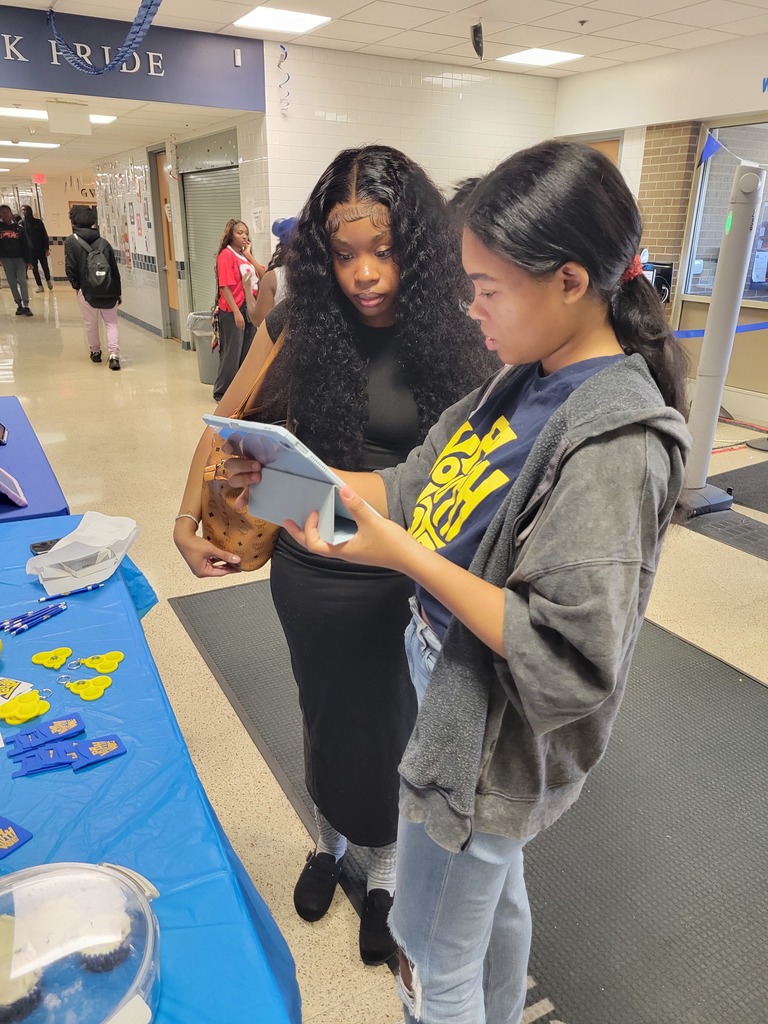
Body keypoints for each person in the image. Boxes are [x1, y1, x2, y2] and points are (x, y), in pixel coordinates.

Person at [224, 140, 691, 1021]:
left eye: (487, 290)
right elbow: (411, 489)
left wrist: (404, 556)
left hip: (486, 734)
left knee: (433, 961)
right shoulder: (519, 384)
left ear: (569, 282)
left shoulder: (613, 442)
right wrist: (282, 483)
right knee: (495, 898)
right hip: (449, 689)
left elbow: (563, 657)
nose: (470, 310)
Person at [174, 144, 490, 966]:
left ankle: (383, 868)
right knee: (321, 707)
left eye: (383, 251)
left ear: (415, 247)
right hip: (311, 564)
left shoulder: (464, 330)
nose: (366, 275)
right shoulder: (299, 322)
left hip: (406, 571)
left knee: (394, 723)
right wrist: (185, 517)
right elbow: (227, 420)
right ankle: (331, 844)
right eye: (345, 255)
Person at [65, 205, 122, 370]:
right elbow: (114, 269)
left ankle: (95, 353)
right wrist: (118, 292)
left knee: (91, 323)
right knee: (111, 323)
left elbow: (70, 268)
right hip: (109, 289)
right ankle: (114, 356)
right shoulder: (104, 243)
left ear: (73, 220)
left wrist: (77, 287)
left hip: (86, 289)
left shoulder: (71, 242)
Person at [212, 219, 264, 402]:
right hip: (234, 308)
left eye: (246, 233)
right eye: (239, 233)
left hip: (249, 307)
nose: (244, 236)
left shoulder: (244, 256)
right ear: (230, 235)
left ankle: (239, 391)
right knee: (232, 353)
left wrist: (249, 255)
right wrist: (236, 312)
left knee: (246, 352)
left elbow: (263, 274)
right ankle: (221, 393)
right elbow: (224, 287)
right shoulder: (226, 256)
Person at [249, 217, 296, 327]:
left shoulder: (274, 277)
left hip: (282, 342)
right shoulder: (321, 273)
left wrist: (247, 289)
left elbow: (260, 321)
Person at [0, 205, 33, 316]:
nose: (5, 214)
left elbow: (25, 245)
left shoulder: (19, 228)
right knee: (12, 282)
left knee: (22, 281)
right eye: (2, 212)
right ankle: (18, 304)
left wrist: (28, 261)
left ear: (11, 213)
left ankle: (26, 304)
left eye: (6, 212)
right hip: (6, 259)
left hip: (20, 259)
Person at [21, 205, 53, 292]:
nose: (23, 212)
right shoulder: (21, 223)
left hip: (40, 248)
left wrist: (46, 248)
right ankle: (39, 285)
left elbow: (44, 235)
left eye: (25, 210)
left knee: (45, 266)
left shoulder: (38, 222)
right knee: (34, 268)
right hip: (30, 250)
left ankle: (48, 279)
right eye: (22, 210)